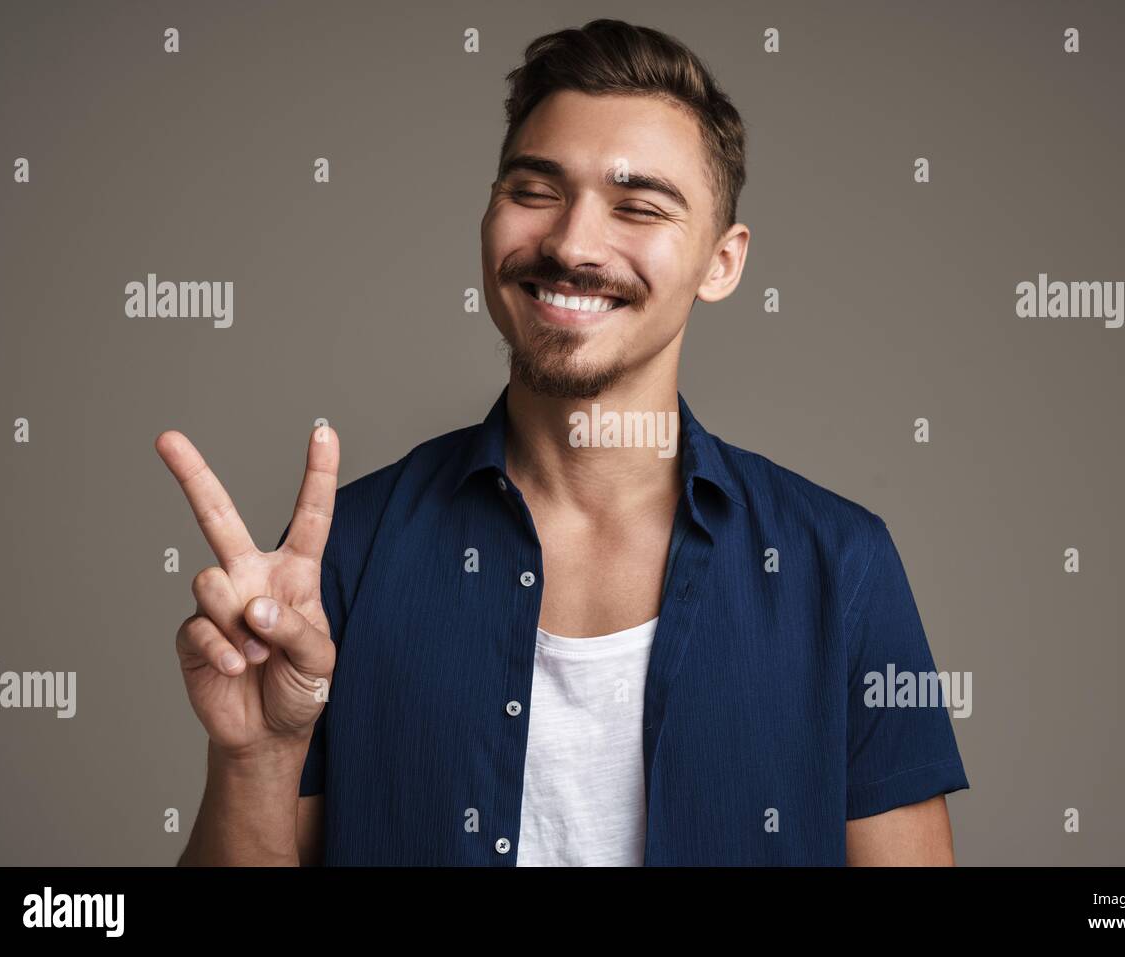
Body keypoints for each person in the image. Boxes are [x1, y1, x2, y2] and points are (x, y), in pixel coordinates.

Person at [157, 18, 968, 866]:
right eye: (536, 190)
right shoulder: (344, 554)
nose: (574, 244)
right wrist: (253, 758)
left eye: (638, 206)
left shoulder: (841, 564)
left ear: (722, 264)